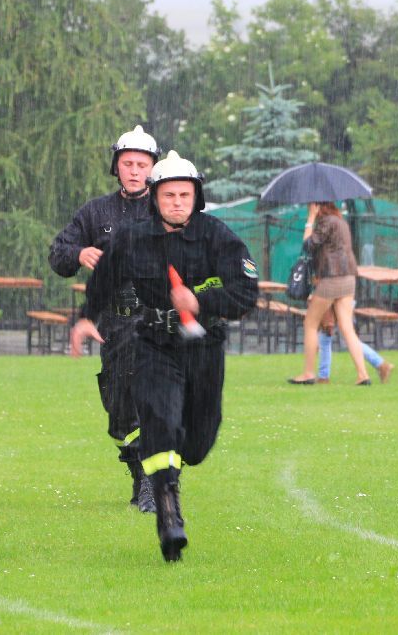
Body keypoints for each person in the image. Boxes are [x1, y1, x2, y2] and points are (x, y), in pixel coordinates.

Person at [70, 151, 258, 561]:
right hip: (153, 343)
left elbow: (247, 292)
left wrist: (201, 299)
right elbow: (103, 281)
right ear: (154, 197)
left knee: (196, 444)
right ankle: (168, 511)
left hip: (204, 349)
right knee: (159, 419)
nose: (177, 202)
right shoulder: (132, 237)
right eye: (169, 194)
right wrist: (87, 318)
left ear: (197, 197)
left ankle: (179, 471)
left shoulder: (218, 237)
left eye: (185, 194)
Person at [49, 125, 160, 513]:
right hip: (112, 324)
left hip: (155, 321)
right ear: (116, 167)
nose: (134, 171)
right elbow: (58, 253)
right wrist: (80, 254)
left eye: (142, 165)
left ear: (153, 169)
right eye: (127, 164)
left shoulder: (168, 209)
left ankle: (152, 482)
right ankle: (136, 472)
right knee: (119, 410)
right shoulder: (96, 212)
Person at [289, 201, 371, 385]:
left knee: (310, 322)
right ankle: (362, 374)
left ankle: (308, 373)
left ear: (318, 206)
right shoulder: (341, 222)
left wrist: (310, 219)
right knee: (347, 327)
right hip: (349, 278)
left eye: (311, 206)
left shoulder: (326, 222)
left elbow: (308, 245)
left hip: (332, 278)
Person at [315, 308, 394, 384]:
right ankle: (323, 376)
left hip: (334, 300)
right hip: (343, 299)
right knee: (328, 336)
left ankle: (380, 364)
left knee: (345, 338)